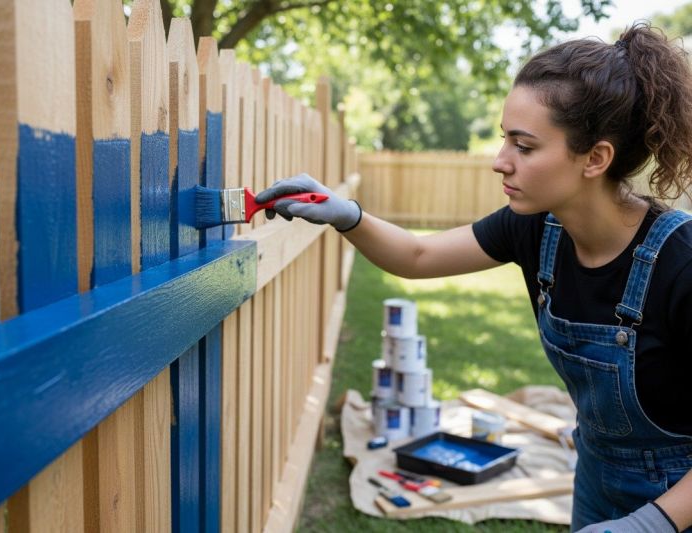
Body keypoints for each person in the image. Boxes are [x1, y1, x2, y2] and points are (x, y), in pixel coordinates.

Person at [256, 23, 692, 532]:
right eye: (505, 138)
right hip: (596, 475)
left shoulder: (679, 262)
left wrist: (649, 525)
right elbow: (418, 256)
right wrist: (346, 214)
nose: (499, 161)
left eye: (523, 147)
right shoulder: (534, 230)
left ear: (595, 158)